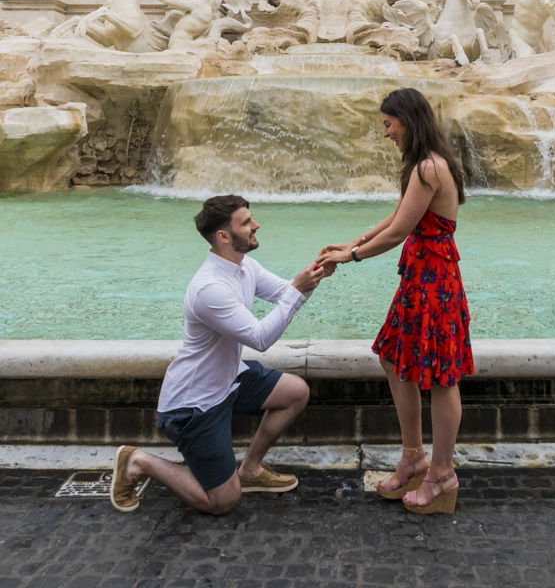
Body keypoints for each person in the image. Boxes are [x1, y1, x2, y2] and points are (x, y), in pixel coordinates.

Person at [110, 194, 325, 515]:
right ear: (224, 236)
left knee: (295, 391)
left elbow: (286, 293)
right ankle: (139, 461)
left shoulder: (243, 266)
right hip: (195, 403)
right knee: (222, 502)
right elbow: (260, 338)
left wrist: (319, 271)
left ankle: (250, 470)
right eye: (246, 223)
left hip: (229, 380)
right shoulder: (209, 289)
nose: (256, 225)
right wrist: (297, 289)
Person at [316, 88, 474, 515]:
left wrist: (349, 257)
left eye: (388, 123)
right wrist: (355, 239)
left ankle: (441, 473)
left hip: (432, 283)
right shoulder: (429, 165)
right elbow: (398, 215)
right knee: (392, 357)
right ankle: (413, 456)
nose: (386, 133)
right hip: (423, 279)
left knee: (442, 377)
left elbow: (400, 231)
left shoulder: (428, 167)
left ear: (407, 119)